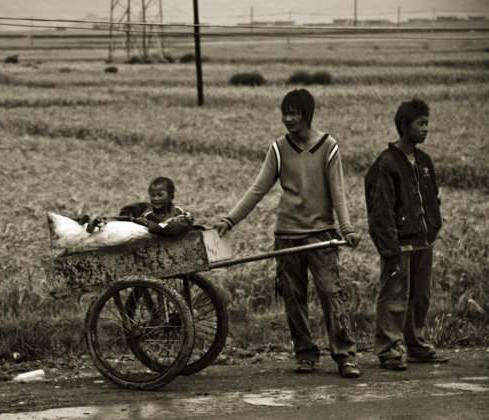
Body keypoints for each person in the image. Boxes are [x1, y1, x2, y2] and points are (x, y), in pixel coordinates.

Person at [214, 88, 361, 379]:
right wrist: (230, 220)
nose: (288, 118)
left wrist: (347, 229)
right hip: (287, 233)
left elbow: (338, 192)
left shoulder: (328, 147)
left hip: (322, 235)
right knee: (293, 297)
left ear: (307, 115)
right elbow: (257, 189)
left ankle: (345, 355)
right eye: (285, 113)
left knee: (332, 295)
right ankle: (305, 354)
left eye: (294, 113)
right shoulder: (279, 148)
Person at [364, 98, 447, 370]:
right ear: (403, 126)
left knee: (420, 295)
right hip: (399, 244)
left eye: (427, 123)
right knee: (394, 296)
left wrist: (433, 224)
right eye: (420, 123)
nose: (426, 129)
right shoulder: (387, 163)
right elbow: (380, 210)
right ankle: (388, 350)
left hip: (424, 240)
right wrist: (389, 247)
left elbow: (432, 195)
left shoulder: (424, 161)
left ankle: (416, 344)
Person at [119, 176, 194, 237]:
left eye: (160, 195)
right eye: (152, 195)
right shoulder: (148, 215)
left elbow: (180, 226)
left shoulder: (178, 211)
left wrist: (151, 225)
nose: (155, 199)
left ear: (171, 197)